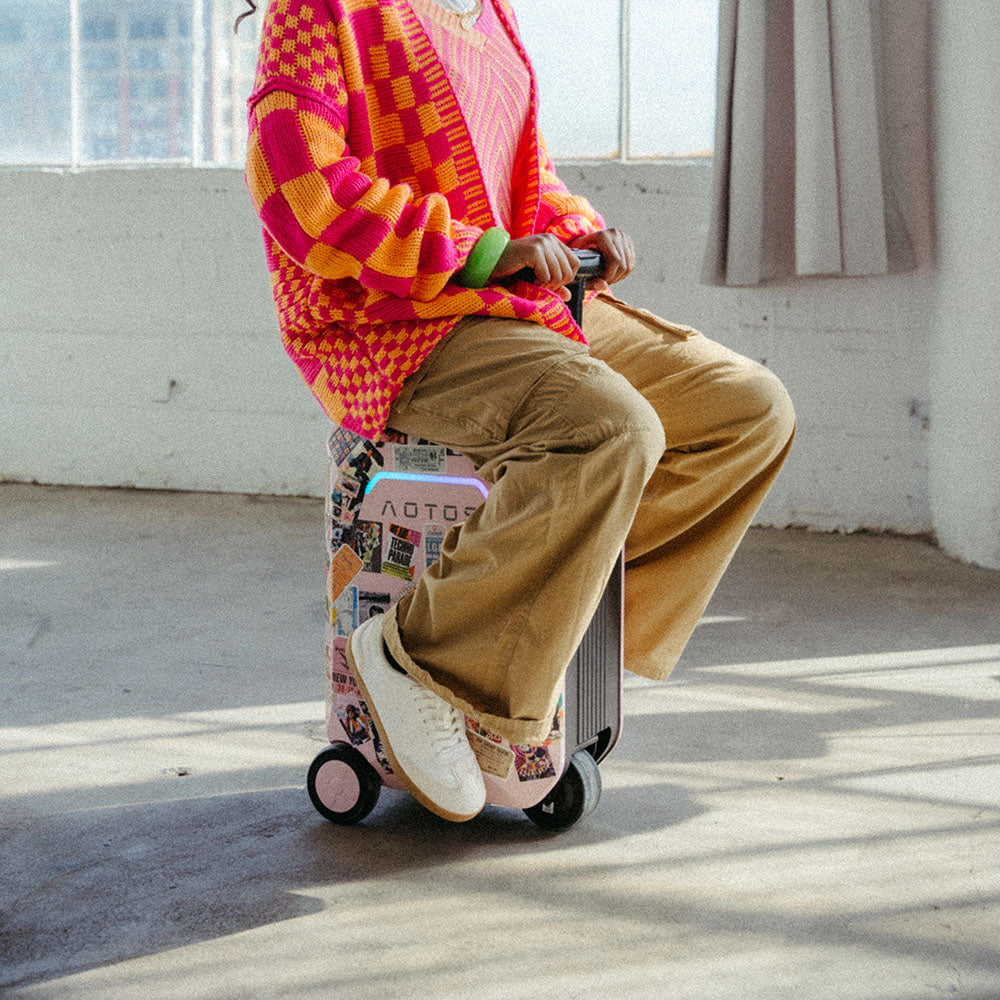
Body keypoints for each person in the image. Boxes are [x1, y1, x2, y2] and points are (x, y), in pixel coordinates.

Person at [242, 0, 795, 822]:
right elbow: (306, 191)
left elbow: (521, 186)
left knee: (745, 411)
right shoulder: (319, 10)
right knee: (610, 429)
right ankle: (418, 660)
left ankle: (536, 617)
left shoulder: (487, 15)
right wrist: (481, 254)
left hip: (516, 301)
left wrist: (578, 231)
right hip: (396, 322)